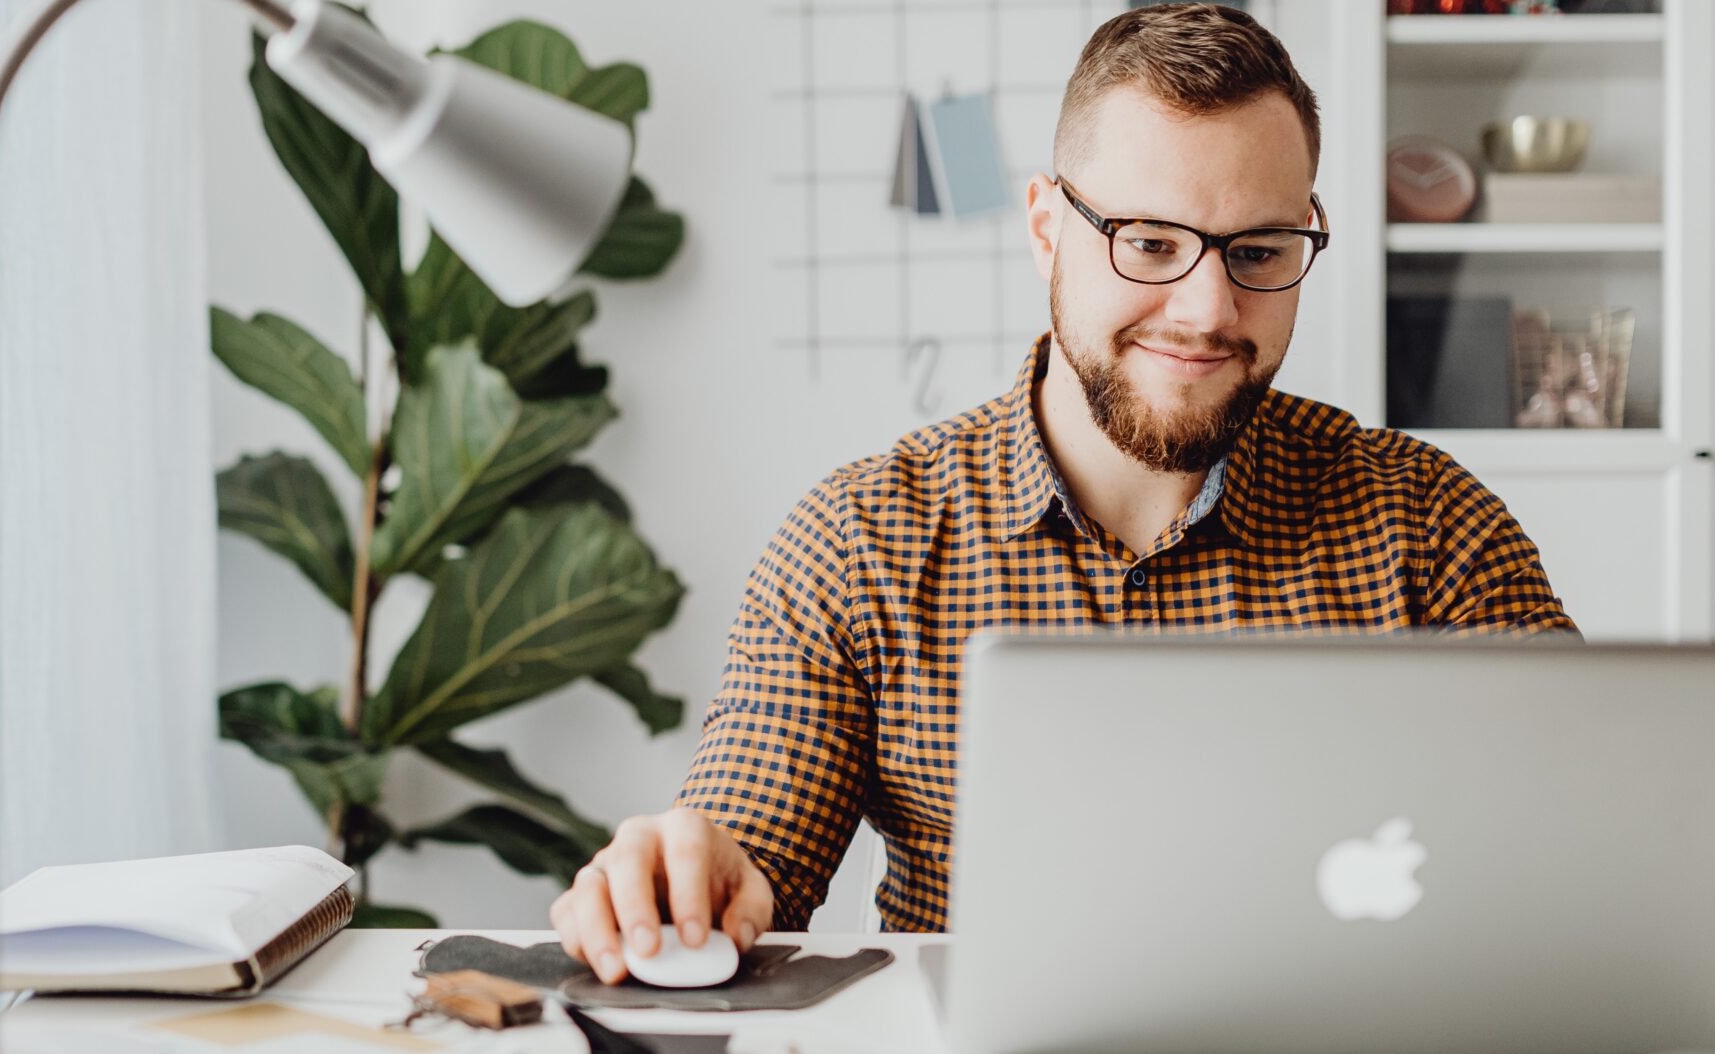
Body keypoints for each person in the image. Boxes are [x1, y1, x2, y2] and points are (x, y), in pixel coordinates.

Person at [549, 2, 1577, 984]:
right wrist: (689, 878)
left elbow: (1588, 839)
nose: (1208, 309)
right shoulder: (862, 536)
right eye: (1149, 242)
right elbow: (749, 847)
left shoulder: (1428, 523)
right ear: (1047, 226)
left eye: (1259, 251)